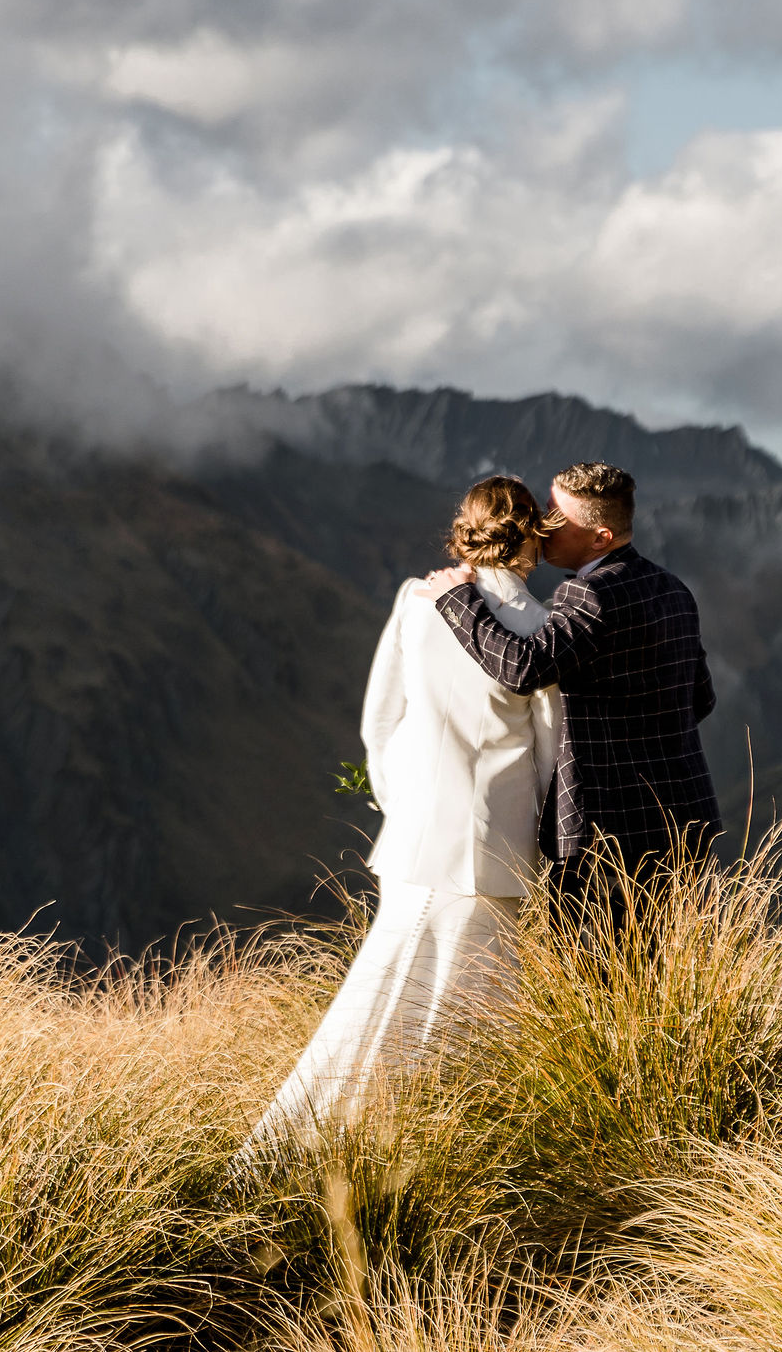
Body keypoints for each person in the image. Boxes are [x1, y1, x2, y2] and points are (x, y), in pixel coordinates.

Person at [238, 476, 564, 1156]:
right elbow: (550, 756)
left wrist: (401, 800)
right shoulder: (538, 628)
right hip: (493, 850)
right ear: (530, 533)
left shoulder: (416, 604)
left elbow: (379, 720)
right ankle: (431, 1149)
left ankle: (314, 1141)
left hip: (412, 836)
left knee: (384, 987)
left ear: (465, 528)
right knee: (472, 1011)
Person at [423, 462, 720, 930]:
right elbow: (700, 699)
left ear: (600, 537)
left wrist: (457, 602)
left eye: (558, 518)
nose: (542, 526)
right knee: (664, 971)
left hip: (606, 826)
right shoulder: (674, 589)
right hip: (685, 814)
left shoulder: (589, 594)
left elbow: (523, 668)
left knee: (591, 974)